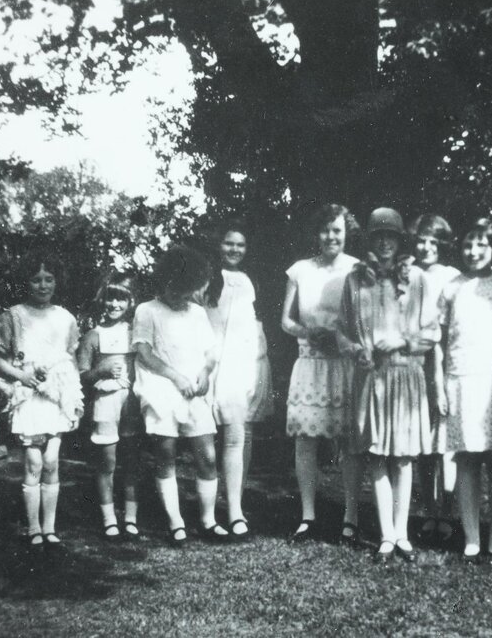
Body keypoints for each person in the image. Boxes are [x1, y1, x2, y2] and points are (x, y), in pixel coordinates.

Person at [337, 207, 440, 563]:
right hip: (371, 377)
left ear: (400, 241)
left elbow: (431, 333)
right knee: (377, 456)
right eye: (378, 236)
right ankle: (385, 536)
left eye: (391, 237)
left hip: (405, 375)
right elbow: (342, 329)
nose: (384, 243)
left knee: (403, 459)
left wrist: (401, 342)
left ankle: (403, 534)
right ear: (370, 240)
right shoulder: (355, 279)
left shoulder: (419, 279)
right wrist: (354, 349)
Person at [440, 219, 492, 563]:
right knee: (467, 459)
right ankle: (472, 537)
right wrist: (439, 383)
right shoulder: (452, 287)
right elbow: (439, 342)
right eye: (467, 245)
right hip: (460, 379)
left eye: (481, 245)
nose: (473, 252)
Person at [281, 204, 363, 544]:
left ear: (346, 233)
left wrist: (341, 339)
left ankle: (351, 516)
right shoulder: (299, 270)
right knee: (306, 441)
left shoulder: (357, 269)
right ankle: (308, 516)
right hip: (310, 362)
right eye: (326, 230)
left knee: (349, 441)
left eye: (337, 230)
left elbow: (364, 318)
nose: (331, 236)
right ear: (317, 234)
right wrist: (306, 332)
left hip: (344, 363)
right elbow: (285, 320)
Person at [133, 245, 225, 545]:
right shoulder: (147, 310)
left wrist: (204, 374)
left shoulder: (197, 313)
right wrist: (176, 377)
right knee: (166, 455)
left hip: (193, 391)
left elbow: (210, 353)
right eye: (175, 289)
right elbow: (144, 353)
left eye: (186, 291)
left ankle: (208, 520)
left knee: (208, 457)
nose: (180, 297)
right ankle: (176, 523)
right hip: (162, 389)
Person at [0, 254, 83, 549]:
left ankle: (50, 527)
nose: (43, 285)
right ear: (25, 283)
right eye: (36, 279)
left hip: (55, 394)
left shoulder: (65, 317)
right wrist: (22, 374)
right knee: (32, 461)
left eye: (49, 279)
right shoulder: (13, 316)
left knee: (52, 460)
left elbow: (69, 359)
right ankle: (33, 527)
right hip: (28, 394)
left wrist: (68, 394)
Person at [205, 222, 274, 541]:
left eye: (240, 245)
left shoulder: (251, 280)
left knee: (245, 432)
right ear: (219, 245)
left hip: (247, 361)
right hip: (216, 361)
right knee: (225, 435)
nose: (234, 250)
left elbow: (255, 325)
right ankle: (223, 509)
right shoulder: (206, 278)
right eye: (229, 243)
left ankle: (236, 504)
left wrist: (259, 363)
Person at [76, 274, 142, 541]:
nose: (114, 303)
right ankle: (108, 519)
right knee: (107, 461)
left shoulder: (135, 333)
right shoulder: (93, 335)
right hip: (104, 402)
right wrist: (100, 370)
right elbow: (81, 375)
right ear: (101, 300)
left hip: (131, 402)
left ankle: (131, 517)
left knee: (132, 459)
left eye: (121, 298)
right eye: (110, 297)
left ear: (130, 301)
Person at [407, 214, 460, 544]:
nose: (426, 247)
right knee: (423, 446)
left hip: (444, 363)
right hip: (413, 364)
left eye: (432, 241)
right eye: (421, 240)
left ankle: (448, 512)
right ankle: (429, 511)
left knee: (447, 447)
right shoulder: (407, 273)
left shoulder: (452, 277)